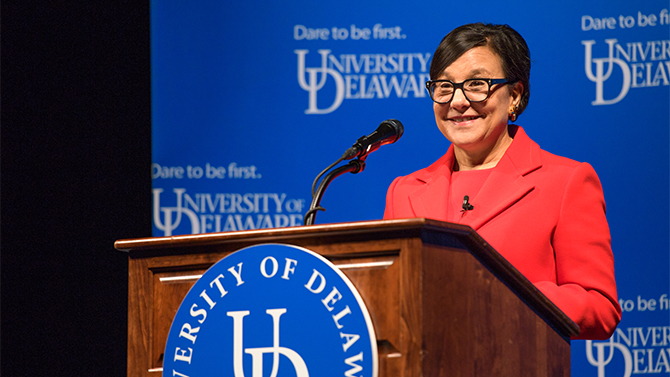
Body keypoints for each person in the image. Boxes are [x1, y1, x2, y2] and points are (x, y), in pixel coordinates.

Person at [383, 23, 620, 340]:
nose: (458, 101)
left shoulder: (566, 182)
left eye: (477, 84)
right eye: (444, 86)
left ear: (515, 96)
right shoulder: (405, 192)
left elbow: (600, 307)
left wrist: (507, 298)